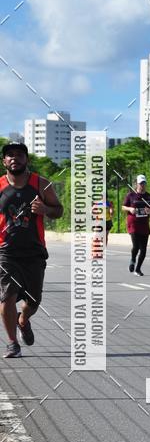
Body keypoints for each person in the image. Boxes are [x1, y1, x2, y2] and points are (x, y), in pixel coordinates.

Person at [0, 142, 63, 358]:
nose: (14, 158)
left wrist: (46, 209)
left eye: (19, 155)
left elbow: (59, 210)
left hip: (34, 252)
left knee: (33, 301)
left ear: (26, 159)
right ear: (4, 161)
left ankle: (23, 320)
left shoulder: (41, 184)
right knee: (6, 297)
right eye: (10, 155)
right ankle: (11, 343)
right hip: (5, 252)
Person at [122, 175, 150, 276]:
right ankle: (132, 260)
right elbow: (123, 207)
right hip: (133, 223)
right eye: (141, 183)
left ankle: (138, 269)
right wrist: (130, 209)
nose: (142, 185)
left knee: (144, 250)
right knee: (136, 246)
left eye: (144, 183)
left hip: (144, 224)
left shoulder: (149, 196)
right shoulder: (131, 195)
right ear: (136, 184)